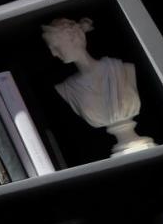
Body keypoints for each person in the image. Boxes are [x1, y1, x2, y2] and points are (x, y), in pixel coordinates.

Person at [41, 17, 155, 155]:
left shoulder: (122, 69)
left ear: (73, 38)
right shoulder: (67, 89)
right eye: (51, 49)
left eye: (55, 46)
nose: (53, 53)